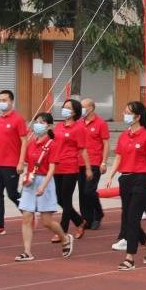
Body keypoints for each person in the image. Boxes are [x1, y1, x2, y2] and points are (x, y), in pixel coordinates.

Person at [105, 101, 146, 271]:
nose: (126, 115)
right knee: (128, 218)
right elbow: (118, 157)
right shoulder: (124, 135)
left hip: (141, 180)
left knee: (133, 219)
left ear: (138, 116)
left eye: (129, 112)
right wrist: (111, 175)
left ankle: (129, 257)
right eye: (125, 112)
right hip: (125, 180)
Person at [14, 113, 74, 261]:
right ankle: (27, 251)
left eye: (42, 122)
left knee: (46, 221)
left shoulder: (52, 144)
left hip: (44, 181)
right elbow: (28, 161)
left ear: (49, 126)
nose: (37, 124)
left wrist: (43, 187)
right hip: (30, 181)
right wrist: (23, 171)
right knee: (27, 216)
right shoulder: (31, 142)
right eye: (37, 121)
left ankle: (65, 238)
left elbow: (52, 169)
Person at [0, 90, 27, 236]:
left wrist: (21, 162)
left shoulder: (18, 119)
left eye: (4, 100)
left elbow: (24, 141)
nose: (1, 102)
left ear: (11, 101)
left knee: (12, 194)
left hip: (11, 164)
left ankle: (27, 213)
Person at [52, 99, 92, 241]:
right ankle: (79, 221)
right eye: (64, 106)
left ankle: (62, 231)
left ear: (75, 112)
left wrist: (88, 168)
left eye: (68, 107)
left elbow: (83, 149)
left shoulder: (78, 128)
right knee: (58, 198)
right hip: (57, 167)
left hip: (70, 167)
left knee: (66, 198)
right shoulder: (58, 126)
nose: (65, 109)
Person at [80, 98, 110, 229]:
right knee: (82, 192)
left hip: (94, 162)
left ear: (91, 108)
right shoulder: (79, 122)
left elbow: (106, 144)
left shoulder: (100, 123)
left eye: (83, 107)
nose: (80, 109)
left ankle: (98, 214)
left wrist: (104, 162)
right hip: (79, 162)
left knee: (89, 191)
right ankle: (87, 218)